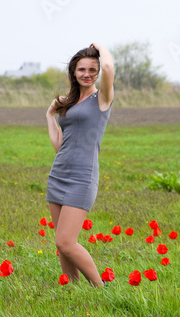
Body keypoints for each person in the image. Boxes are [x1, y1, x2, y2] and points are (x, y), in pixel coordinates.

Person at [45, 43, 114, 287]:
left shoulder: (102, 99)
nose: (86, 73)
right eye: (81, 69)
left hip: (82, 178)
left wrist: (100, 46)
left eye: (92, 70)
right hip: (59, 175)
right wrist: (50, 116)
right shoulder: (71, 102)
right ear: (74, 72)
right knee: (62, 245)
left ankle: (101, 289)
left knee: (66, 241)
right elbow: (59, 146)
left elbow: (107, 65)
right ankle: (73, 294)